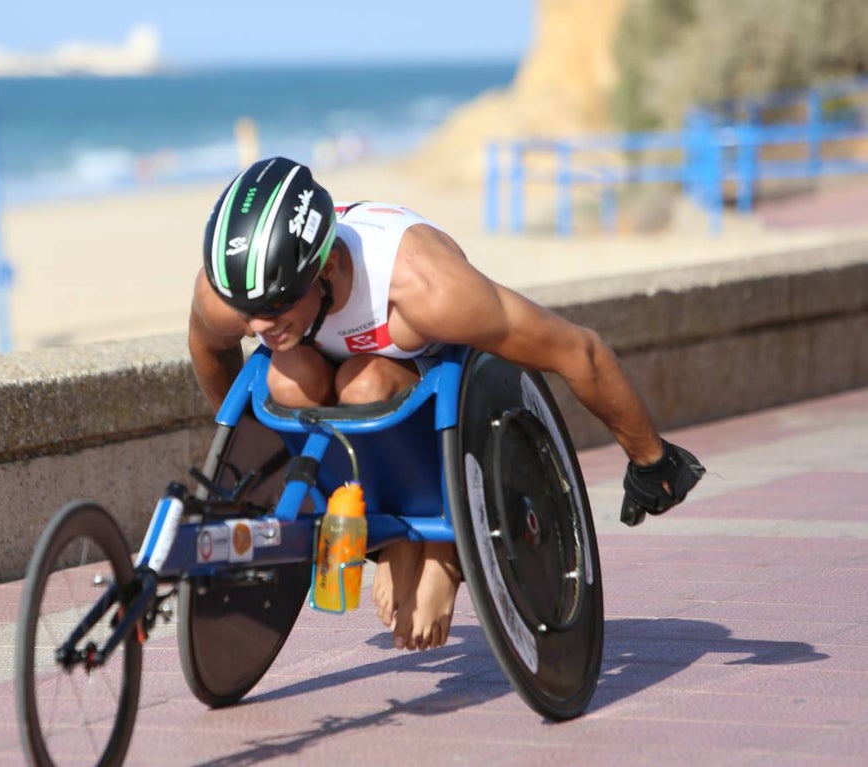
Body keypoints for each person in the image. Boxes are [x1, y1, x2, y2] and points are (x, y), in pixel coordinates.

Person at [188, 156, 705, 651]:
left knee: (361, 385)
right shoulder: (239, 292)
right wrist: (260, 458)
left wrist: (649, 457)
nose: (257, 326)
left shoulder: (424, 288)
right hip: (349, 392)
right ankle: (391, 537)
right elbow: (208, 346)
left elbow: (578, 349)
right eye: (248, 312)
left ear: (327, 267)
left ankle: (440, 547)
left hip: (433, 387)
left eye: (277, 307)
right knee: (287, 381)